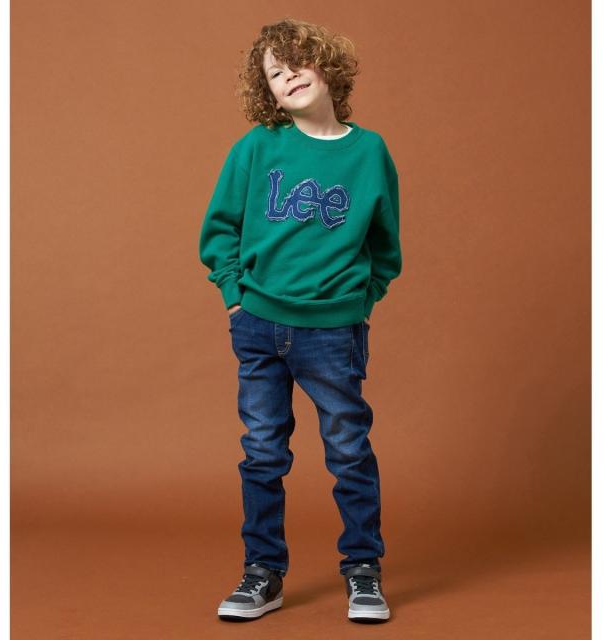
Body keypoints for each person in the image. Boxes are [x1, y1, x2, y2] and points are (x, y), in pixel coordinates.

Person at [198, 17, 402, 623]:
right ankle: (263, 572)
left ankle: (363, 570)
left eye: (296, 63)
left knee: (348, 449)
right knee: (262, 451)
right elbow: (220, 227)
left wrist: (358, 302)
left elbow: (385, 246)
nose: (288, 77)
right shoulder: (257, 147)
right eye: (274, 73)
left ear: (326, 65)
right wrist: (234, 296)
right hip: (259, 324)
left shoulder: (370, 152)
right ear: (266, 91)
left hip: (334, 331)